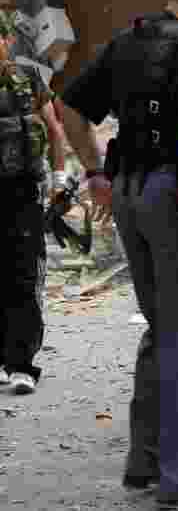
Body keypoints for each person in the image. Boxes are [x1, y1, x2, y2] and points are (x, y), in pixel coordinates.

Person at [60, 0, 178, 507]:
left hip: (130, 196)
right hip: (172, 197)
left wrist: (95, 173)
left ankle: (145, 463)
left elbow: (70, 108)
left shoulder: (129, 38)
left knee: (162, 329)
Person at [0, 28, 67, 395]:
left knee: (24, 275)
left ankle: (21, 364)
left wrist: (59, 180)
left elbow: (55, 130)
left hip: (23, 192)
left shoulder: (28, 78)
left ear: (7, 42)